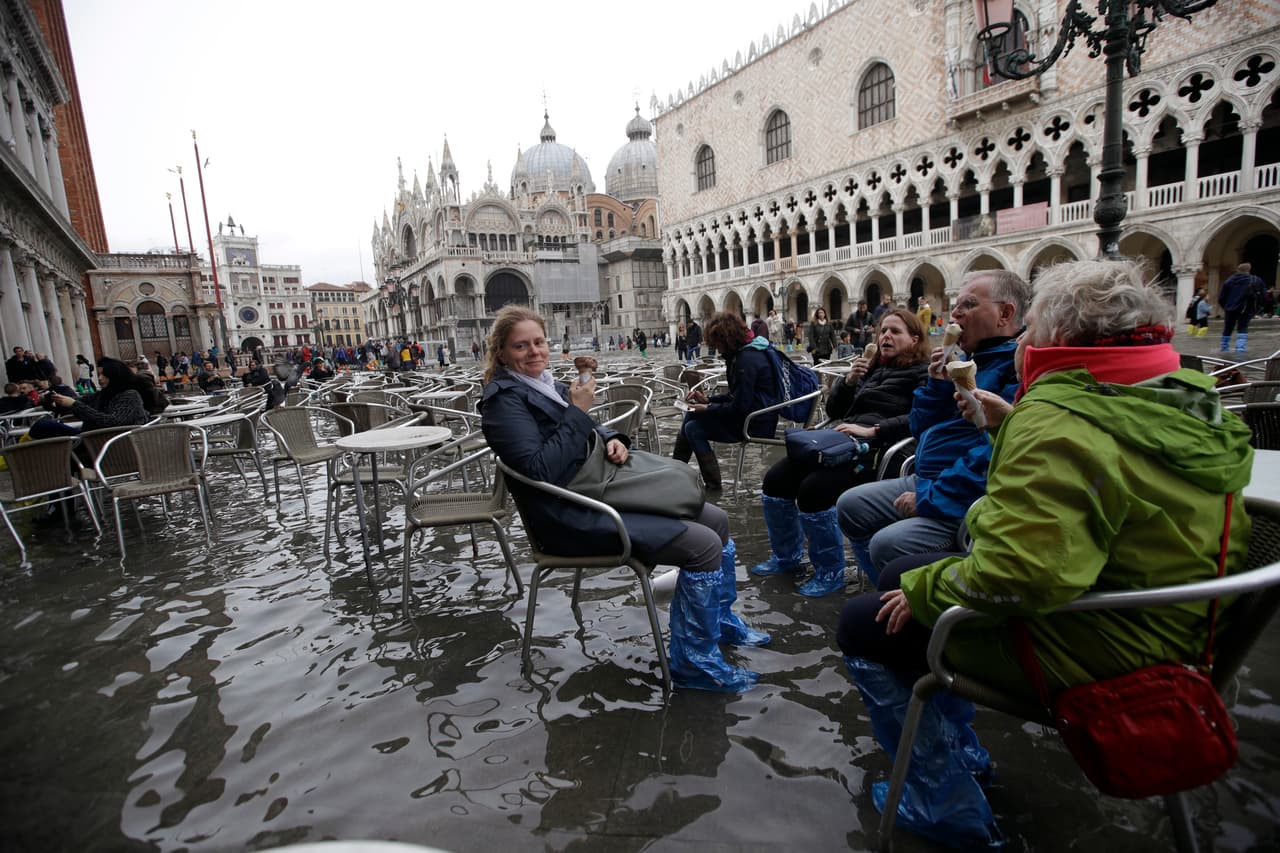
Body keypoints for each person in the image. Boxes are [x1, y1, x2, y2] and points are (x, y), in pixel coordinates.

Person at [835, 258, 1253, 847]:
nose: (1027, 339)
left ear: (1061, 334)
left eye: (1034, 325)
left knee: (865, 619)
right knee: (903, 570)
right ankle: (959, 751)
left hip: (1100, 644)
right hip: (1175, 624)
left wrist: (928, 590)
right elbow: (1095, 491)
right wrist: (1009, 427)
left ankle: (940, 802)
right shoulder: (1182, 397)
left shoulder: (1060, 418)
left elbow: (1021, 574)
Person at [478, 305, 768, 693]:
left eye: (539, 342)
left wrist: (612, 438)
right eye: (521, 346)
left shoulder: (542, 384)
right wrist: (580, 412)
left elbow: (586, 427)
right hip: (568, 518)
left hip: (596, 491)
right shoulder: (502, 401)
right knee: (702, 545)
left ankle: (720, 621)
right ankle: (693, 665)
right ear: (501, 353)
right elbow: (539, 468)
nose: (534, 352)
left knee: (715, 518)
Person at [836, 270, 1029, 583]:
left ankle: (916, 602)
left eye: (969, 305)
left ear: (1005, 313)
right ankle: (883, 590)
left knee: (887, 544)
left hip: (966, 496)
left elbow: (992, 453)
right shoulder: (964, 359)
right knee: (849, 505)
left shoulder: (1016, 369)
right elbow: (918, 425)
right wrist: (937, 385)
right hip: (925, 476)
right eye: (956, 305)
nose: (954, 313)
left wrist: (929, 496)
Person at [752, 310, 929, 596]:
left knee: (813, 490)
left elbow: (920, 417)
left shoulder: (923, 372)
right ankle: (786, 558)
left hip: (883, 450)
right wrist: (848, 382)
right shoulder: (872, 369)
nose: (885, 336)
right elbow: (835, 411)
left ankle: (830, 571)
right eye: (883, 330)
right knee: (776, 479)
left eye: (895, 331)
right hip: (844, 441)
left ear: (915, 339)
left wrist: (875, 431)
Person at [672, 311, 780, 490]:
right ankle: (677, 472)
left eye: (718, 344)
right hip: (753, 415)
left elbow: (740, 406)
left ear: (727, 339)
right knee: (691, 419)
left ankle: (708, 484)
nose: (717, 349)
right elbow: (737, 396)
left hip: (756, 423)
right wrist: (707, 400)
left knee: (693, 427)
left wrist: (707, 408)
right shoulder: (744, 353)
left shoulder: (746, 360)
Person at [30, 357, 155, 439]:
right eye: (99, 374)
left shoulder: (130, 395)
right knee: (42, 426)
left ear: (115, 376)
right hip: (93, 438)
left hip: (109, 445)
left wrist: (74, 404)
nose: (99, 378)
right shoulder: (103, 394)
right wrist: (52, 400)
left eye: (104, 375)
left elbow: (112, 422)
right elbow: (75, 406)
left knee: (45, 430)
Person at [1218, 262, 1264, 353]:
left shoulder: (1229, 281)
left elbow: (1221, 298)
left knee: (1228, 328)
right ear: (1249, 270)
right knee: (1243, 327)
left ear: (1238, 270)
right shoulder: (1256, 280)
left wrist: (1226, 307)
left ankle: (1224, 348)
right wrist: (1256, 308)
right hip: (1246, 309)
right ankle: (1240, 350)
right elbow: (1263, 295)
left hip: (1230, 309)